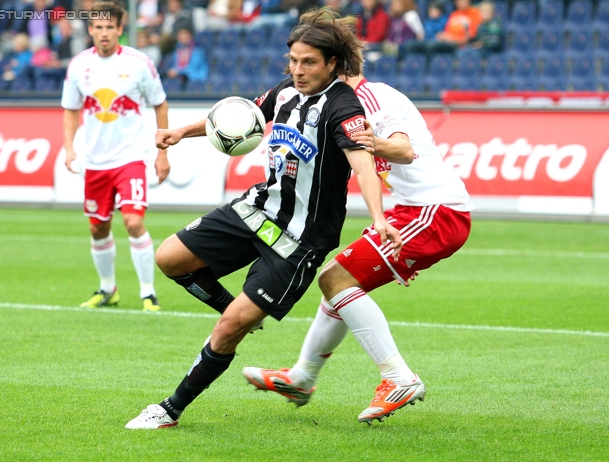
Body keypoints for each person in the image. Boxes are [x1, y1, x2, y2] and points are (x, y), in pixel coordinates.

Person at [125, 7, 402, 430]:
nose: (298, 69)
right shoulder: (285, 92)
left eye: (308, 62)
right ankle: (234, 309)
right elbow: (237, 119)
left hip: (299, 239)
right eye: (293, 61)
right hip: (256, 209)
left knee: (226, 330)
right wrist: (182, 132)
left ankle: (169, 409)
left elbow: (363, 165)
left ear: (332, 63)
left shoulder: (344, 107)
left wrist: (378, 217)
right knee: (169, 259)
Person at [242, 72, 474, 424]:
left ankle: (399, 378)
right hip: (416, 208)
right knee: (337, 284)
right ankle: (302, 378)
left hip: (435, 210)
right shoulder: (340, 102)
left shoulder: (371, 96)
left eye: (313, 63)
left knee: (336, 280)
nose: (303, 74)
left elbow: (403, 149)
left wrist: (366, 141)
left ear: (334, 65)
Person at [61, 1, 170, 312]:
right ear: (90, 30)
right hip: (95, 161)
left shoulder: (140, 63)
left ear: (120, 30)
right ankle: (108, 289)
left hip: (130, 157)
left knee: (134, 221)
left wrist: (162, 152)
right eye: (99, 27)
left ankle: (148, 292)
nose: (104, 33)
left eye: (110, 27)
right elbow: (70, 110)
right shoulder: (78, 66)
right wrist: (69, 147)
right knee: (98, 227)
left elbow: (160, 104)